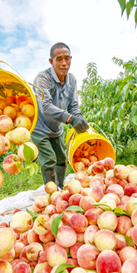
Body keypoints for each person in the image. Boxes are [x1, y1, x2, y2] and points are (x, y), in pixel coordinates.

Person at [32, 42, 89, 189]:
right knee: (49, 159)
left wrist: (79, 118)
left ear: (71, 59)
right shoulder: (43, 78)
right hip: (39, 127)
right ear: (51, 61)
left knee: (62, 159)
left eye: (67, 58)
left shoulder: (72, 80)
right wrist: (70, 118)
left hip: (55, 128)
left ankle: (61, 187)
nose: (64, 63)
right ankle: (51, 193)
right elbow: (45, 107)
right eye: (59, 59)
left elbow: (73, 106)